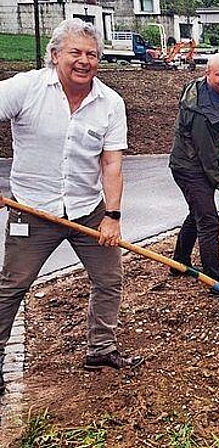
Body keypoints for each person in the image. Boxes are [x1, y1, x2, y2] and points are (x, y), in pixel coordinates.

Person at [0, 18, 144, 395]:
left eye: (92, 54)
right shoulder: (26, 89)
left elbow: (111, 162)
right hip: (32, 209)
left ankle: (101, 349)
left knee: (109, 279)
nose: (84, 61)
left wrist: (112, 216)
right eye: (75, 53)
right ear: (54, 55)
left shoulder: (110, 103)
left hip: (87, 208)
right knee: (13, 287)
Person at [169, 53, 219, 285]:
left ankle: (179, 261)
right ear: (208, 73)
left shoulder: (211, 91)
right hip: (189, 167)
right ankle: (215, 278)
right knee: (208, 221)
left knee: (198, 212)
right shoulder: (201, 112)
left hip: (197, 163)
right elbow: (206, 156)